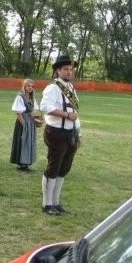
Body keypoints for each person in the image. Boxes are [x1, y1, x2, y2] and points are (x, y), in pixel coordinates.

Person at [40, 55, 82, 216]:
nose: (69, 72)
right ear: (58, 71)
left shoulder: (71, 88)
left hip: (70, 133)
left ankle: (56, 202)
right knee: (54, 167)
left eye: (71, 69)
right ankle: (47, 204)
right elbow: (45, 107)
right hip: (56, 132)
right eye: (65, 69)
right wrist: (66, 115)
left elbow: (75, 113)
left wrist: (79, 133)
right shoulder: (53, 88)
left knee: (64, 169)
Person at [10, 79, 42, 172]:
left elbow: (33, 112)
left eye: (32, 86)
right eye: (28, 86)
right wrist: (24, 125)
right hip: (23, 123)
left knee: (29, 142)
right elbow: (18, 113)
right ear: (24, 86)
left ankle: (26, 163)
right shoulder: (20, 97)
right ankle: (21, 164)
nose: (30, 88)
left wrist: (36, 119)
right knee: (23, 141)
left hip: (30, 123)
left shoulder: (32, 98)